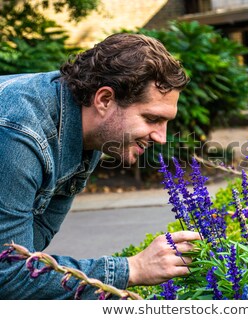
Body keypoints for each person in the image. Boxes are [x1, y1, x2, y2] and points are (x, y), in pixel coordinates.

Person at [0, 33, 201, 299]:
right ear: (104, 100)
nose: (161, 137)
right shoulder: (18, 136)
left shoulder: (89, 131)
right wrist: (133, 268)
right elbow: (10, 276)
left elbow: (31, 249)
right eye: (152, 118)